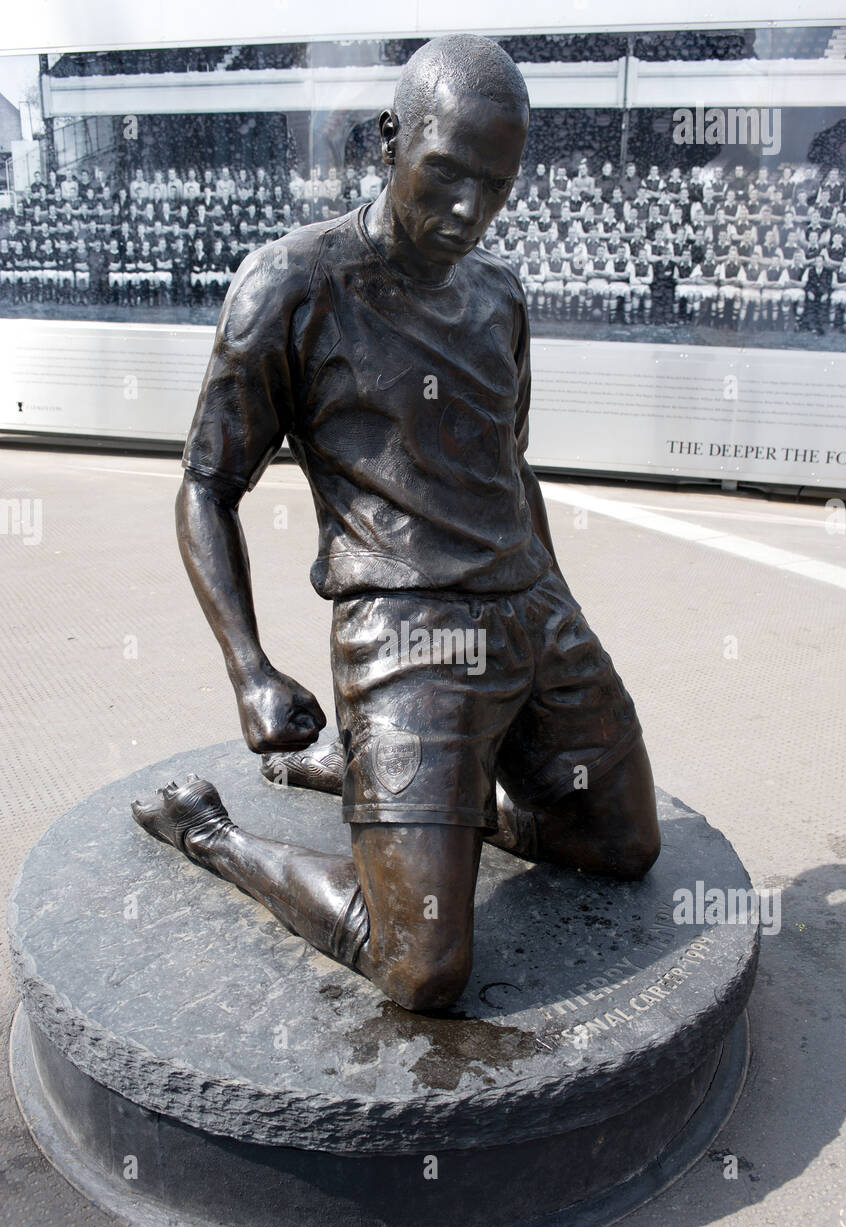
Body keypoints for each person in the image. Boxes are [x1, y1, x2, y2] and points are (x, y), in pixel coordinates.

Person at [133, 35, 659, 1013]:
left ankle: (413, 794)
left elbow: (512, 467)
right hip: (407, 632)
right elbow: (206, 483)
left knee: (622, 844)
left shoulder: (499, 297)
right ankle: (213, 833)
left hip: (533, 610)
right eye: (447, 173)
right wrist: (249, 670)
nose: (469, 210)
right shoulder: (292, 286)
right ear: (391, 139)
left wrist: (564, 620)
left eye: (494, 186)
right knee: (421, 967)